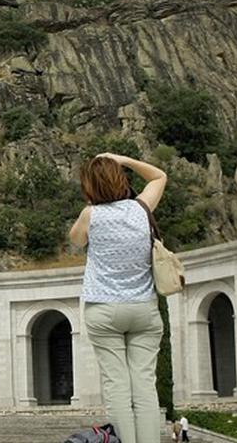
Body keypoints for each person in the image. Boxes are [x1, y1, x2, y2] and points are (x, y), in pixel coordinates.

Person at [68, 152, 168, 443]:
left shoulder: (90, 215)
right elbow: (159, 175)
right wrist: (122, 160)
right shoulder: (141, 208)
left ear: (89, 187)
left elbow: (76, 239)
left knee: (117, 388)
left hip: (104, 309)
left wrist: (92, 204)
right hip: (143, 309)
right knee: (145, 387)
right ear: (120, 179)